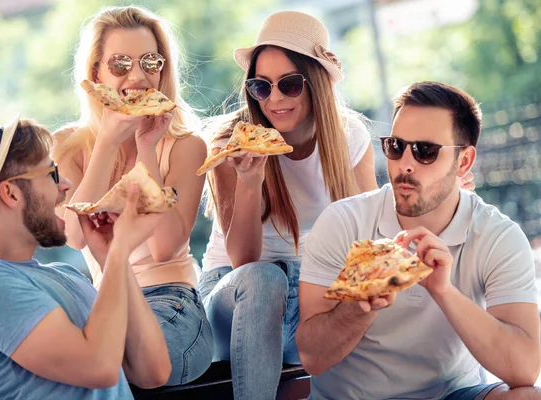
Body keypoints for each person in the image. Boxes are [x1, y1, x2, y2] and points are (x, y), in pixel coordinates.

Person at [296, 81, 541, 400]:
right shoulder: (344, 221)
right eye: (396, 146)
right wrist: (362, 305)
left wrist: (443, 290)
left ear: (464, 162)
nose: (404, 164)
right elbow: (312, 359)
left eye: (425, 151)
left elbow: (523, 370)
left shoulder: (496, 235)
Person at [198, 10, 378, 399]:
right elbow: (244, 261)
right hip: (236, 294)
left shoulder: (350, 137)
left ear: (316, 83)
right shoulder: (231, 142)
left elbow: (366, 240)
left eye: (290, 84)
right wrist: (250, 181)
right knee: (267, 278)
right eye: (262, 87)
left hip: (309, 288)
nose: (274, 99)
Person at [0, 117, 171, 399]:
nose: (66, 185)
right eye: (52, 174)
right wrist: (122, 246)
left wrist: (113, 257)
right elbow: (99, 367)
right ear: (11, 193)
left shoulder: (68, 276)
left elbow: (154, 372)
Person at [51, 5, 213, 386]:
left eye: (150, 62)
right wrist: (108, 143)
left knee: (111, 369)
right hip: (105, 303)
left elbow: (165, 246)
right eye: (120, 64)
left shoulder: (187, 146)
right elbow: (75, 236)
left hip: (173, 303)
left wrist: (146, 150)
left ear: (164, 69)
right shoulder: (67, 146)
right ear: (96, 73)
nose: (138, 76)